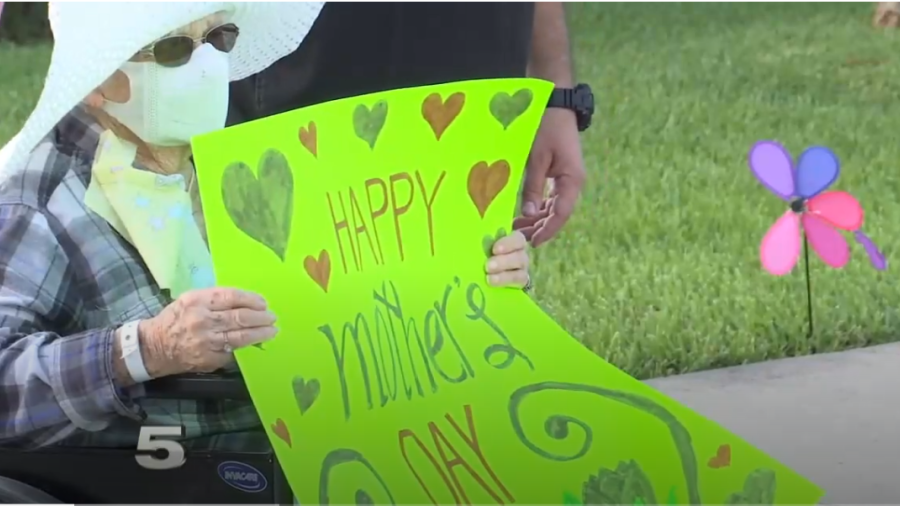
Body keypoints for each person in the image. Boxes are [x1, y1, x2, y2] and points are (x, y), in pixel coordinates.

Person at [0, 1, 534, 450]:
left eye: (219, 37)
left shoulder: (259, 157)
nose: (207, 64)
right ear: (95, 78)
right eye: (172, 49)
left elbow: (359, 285)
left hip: (337, 445)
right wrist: (146, 349)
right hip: (174, 476)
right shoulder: (38, 199)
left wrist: (471, 273)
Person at [228, 2, 594, 249]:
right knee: (300, 290)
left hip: (471, 43)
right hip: (314, 49)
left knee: (452, 292)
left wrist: (555, 93)